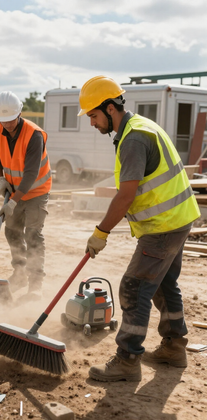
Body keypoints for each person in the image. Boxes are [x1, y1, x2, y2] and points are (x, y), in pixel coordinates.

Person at [78, 75, 200, 382]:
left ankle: (128, 359)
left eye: (93, 116)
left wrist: (100, 233)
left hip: (163, 227)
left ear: (109, 108)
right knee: (162, 284)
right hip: (178, 219)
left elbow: (125, 195)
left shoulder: (132, 139)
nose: (92, 123)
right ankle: (174, 347)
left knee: (133, 287)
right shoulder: (141, 126)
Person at [0, 91, 52, 298]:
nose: (6, 124)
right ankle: (19, 273)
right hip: (15, 191)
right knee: (12, 232)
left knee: (33, 235)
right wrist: (0, 179)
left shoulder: (34, 135)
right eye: (2, 120)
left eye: (10, 120)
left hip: (36, 191)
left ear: (19, 113)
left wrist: (12, 203)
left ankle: (35, 284)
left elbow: (31, 174)